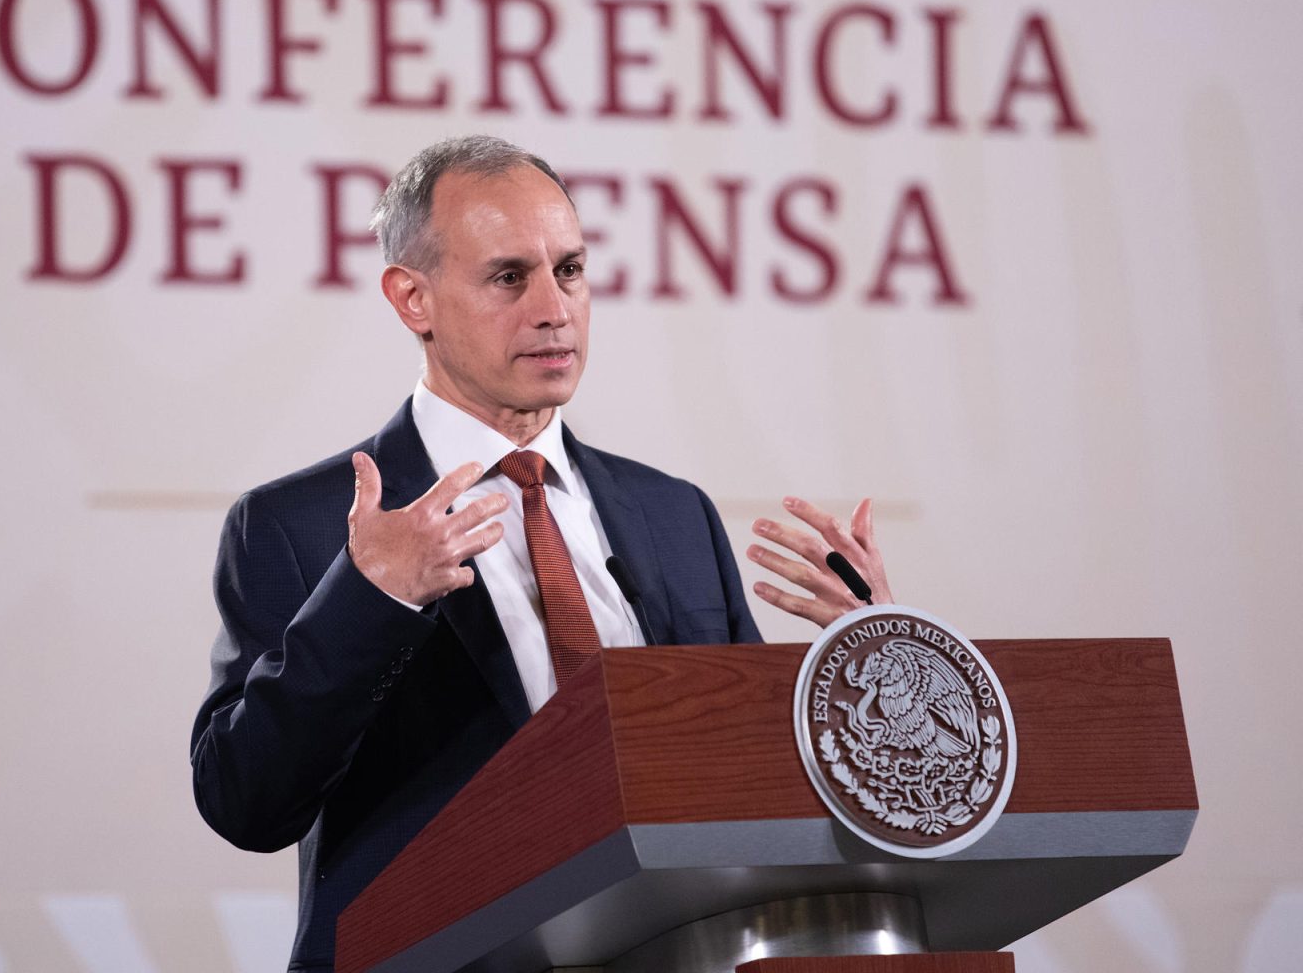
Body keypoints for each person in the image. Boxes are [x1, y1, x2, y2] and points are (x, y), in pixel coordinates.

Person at [190, 135, 891, 971]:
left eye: (571, 269)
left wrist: (869, 664)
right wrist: (372, 599)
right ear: (412, 298)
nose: (554, 307)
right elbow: (246, 802)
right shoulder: (302, 527)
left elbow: (738, 787)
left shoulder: (675, 516)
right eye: (509, 277)